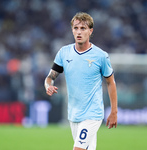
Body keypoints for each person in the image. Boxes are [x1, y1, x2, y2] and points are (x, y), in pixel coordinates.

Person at [44, 12, 118, 150]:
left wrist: (114, 111)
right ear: (72, 30)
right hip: (73, 114)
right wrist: (48, 85)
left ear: (90, 31)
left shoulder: (101, 56)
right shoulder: (64, 53)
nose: (79, 32)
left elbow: (110, 82)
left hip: (92, 114)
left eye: (83, 28)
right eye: (76, 28)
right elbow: (50, 77)